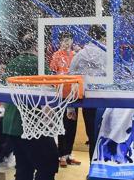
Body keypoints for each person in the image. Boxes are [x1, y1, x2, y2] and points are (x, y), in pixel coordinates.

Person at [1, 25, 59, 180]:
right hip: (31, 124)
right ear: (37, 46)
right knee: (49, 164)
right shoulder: (39, 64)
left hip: (11, 123)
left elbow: (3, 87)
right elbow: (51, 90)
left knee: (24, 167)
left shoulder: (13, 63)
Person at [69, 25, 108, 161]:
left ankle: (92, 170)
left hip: (87, 101)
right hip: (104, 102)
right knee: (104, 137)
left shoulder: (79, 55)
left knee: (92, 137)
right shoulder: (106, 55)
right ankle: (101, 170)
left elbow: (71, 79)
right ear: (102, 38)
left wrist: (71, 106)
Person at [49, 31, 81, 167]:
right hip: (61, 95)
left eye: (69, 40)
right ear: (60, 42)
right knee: (62, 126)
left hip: (74, 94)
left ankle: (69, 154)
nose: (66, 43)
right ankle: (61, 155)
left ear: (72, 41)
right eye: (64, 40)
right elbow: (51, 74)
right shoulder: (56, 55)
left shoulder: (76, 55)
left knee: (72, 126)